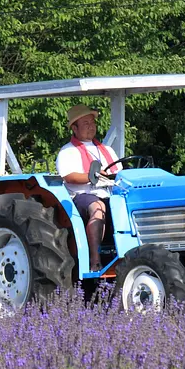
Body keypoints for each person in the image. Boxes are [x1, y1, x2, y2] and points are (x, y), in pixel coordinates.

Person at [55, 104, 122, 273]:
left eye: (92, 123)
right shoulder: (67, 151)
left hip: (109, 193)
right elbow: (69, 176)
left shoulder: (107, 150)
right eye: (85, 123)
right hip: (82, 195)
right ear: (74, 128)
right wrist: (91, 176)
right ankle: (95, 260)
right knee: (97, 207)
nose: (91, 126)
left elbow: (118, 172)